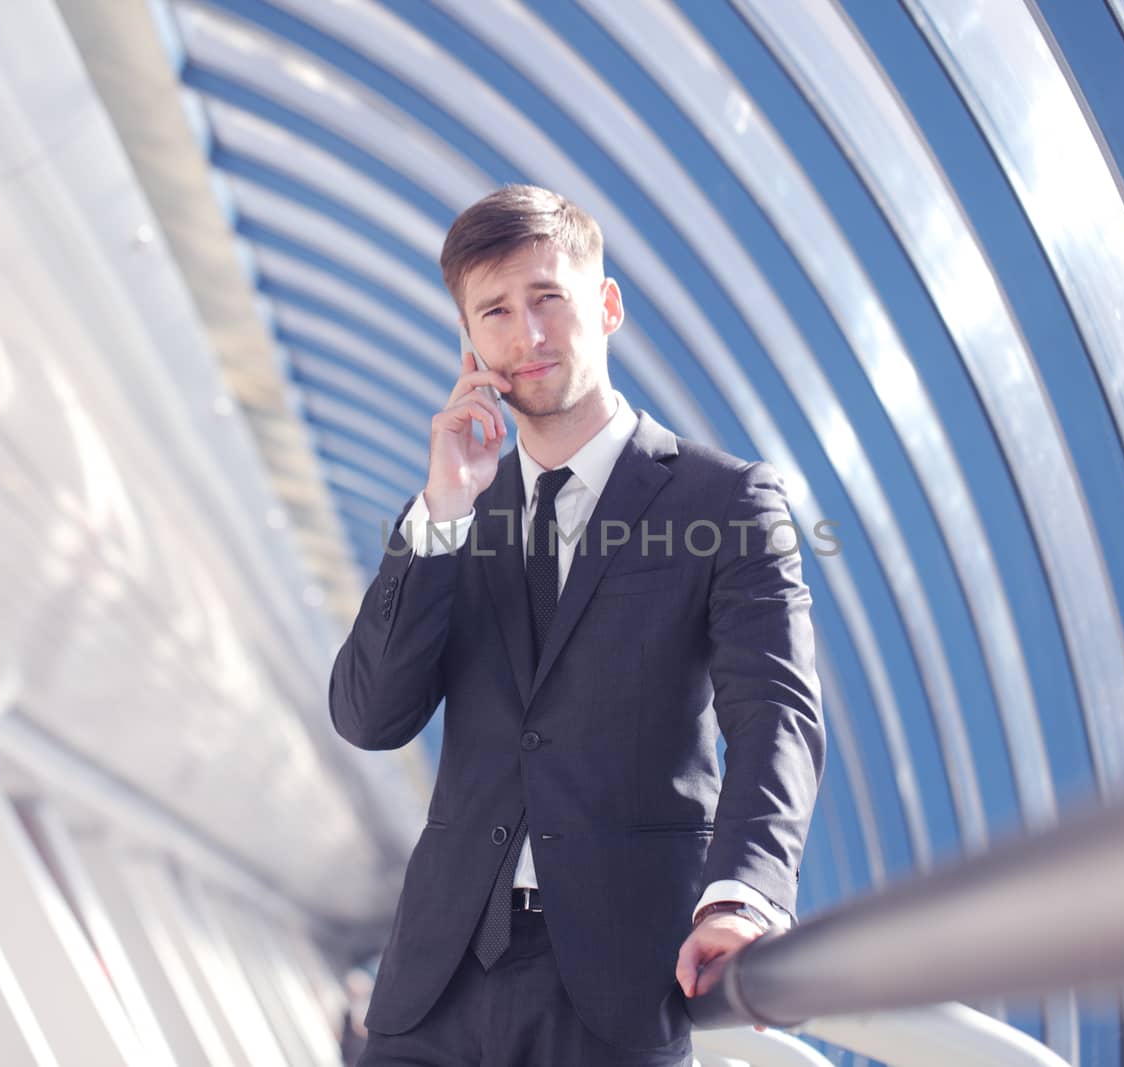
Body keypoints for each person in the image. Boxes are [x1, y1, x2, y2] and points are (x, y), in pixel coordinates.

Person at [329, 184, 825, 1065]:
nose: (526, 335)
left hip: (616, 988)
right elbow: (370, 715)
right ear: (470, 344)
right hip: (432, 987)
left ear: (605, 306)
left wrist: (744, 894)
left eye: (547, 298)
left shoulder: (725, 500)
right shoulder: (454, 511)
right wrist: (443, 506)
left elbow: (774, 713)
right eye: (496, 312)